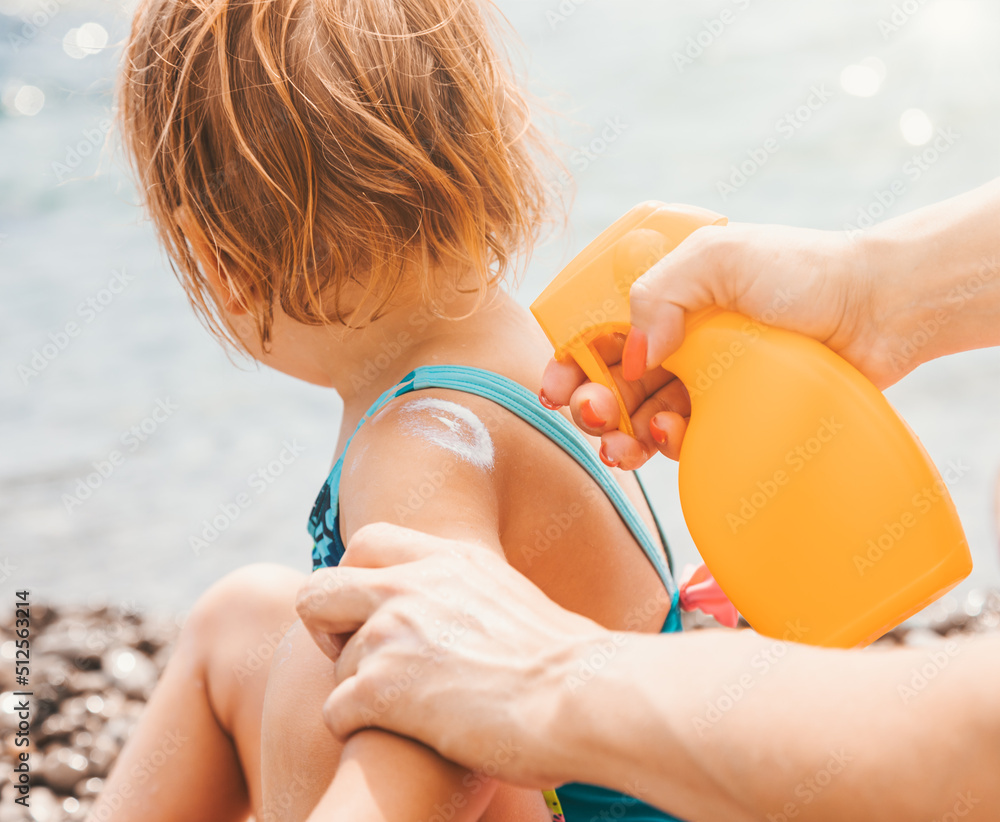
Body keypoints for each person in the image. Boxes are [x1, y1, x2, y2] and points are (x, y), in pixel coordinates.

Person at [93, 1, 708, 820]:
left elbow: (443, 721)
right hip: (624, 768)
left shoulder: (421, 445)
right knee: (238, 622)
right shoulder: (528, 351)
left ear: (221, 261)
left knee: (330, 663)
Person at [296, 178, 1000, 821]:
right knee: (248, 613)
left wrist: (554, 677)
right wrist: (868, 289)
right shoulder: (483, 385)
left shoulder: (417, 442)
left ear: (237, 282)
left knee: (292, 669)